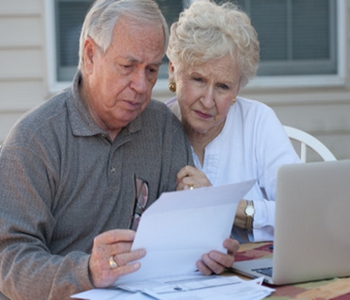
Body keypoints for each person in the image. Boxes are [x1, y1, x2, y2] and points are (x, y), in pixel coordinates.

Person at [0, 1, 239, 299]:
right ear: (90, 55)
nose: (141, 85)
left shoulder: (163, 128)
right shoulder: (34, 141)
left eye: (151, 70)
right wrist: (87, 271)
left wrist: (206, 249)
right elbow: (9, 262)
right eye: (127, 66)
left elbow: (174, 242)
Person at [166, 0, 301, 243]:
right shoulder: (154, 129)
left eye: (223, 86)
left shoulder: (258, 122)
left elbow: (302, 209)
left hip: (258, 273)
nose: (208, 101)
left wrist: (223, 205)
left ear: (238, 88)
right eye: (198, 79)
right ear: (173, 71)